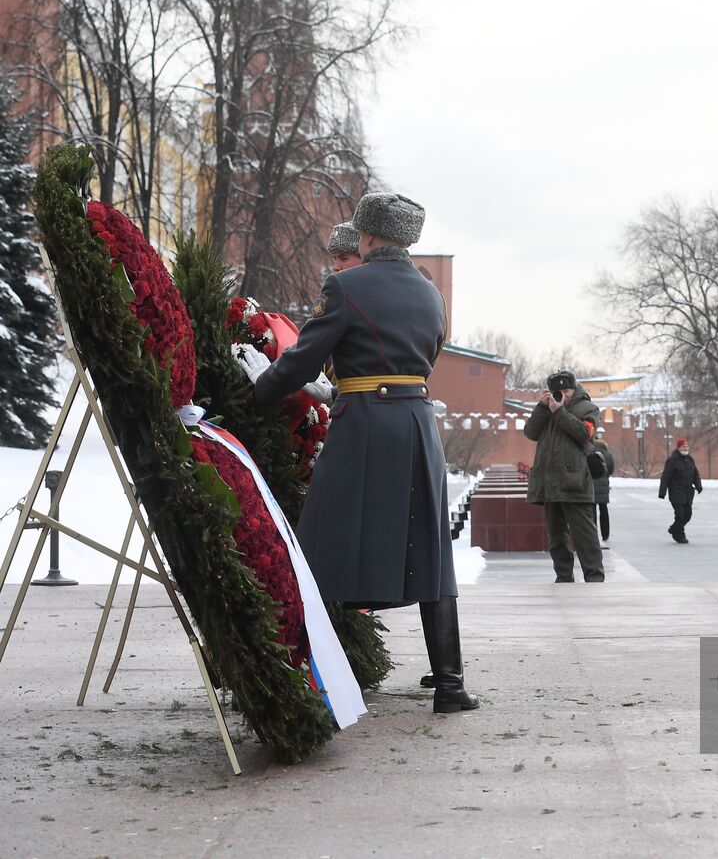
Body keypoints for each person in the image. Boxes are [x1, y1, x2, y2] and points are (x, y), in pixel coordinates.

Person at [253, 192, 478, 714]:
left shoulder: (345, 285)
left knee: (321, 544)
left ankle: (310, 675)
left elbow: (304, 360)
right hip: (418, 424)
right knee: (430, 551)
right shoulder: (430, 295)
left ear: (367, 235)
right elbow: (430, 355)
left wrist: (257, 391)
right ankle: (450, 684)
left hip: (363, 425)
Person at [524, 370, 605, 583]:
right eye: (558, 391)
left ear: (574, 388)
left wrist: (559, 412)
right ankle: (563, 577)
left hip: (575, 482)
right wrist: (543, 407)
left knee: (584, 536)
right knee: (556, 537)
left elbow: (584, 434)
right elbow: (530, 432)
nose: (563, 395)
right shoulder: (548, 408)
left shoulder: (588, 408)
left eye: (567, 390)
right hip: (550, 482)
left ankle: (595, 578)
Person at [659, 439, 702, 543]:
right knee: (680, 515)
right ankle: (680, 535)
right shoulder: (672, 460)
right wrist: (662, 491)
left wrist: (698, 485)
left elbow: (695, 474)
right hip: (676, 492)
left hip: (688, 493)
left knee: (688, 515)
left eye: (687, 446)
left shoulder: (690, 459)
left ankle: (674, 529)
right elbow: (666, 476)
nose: (686, 448)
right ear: (678, 448)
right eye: (683, 446)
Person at [592, 426, 615, 547]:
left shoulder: (589, 452)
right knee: (604, 509)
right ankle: (606, 534)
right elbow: (611, 469)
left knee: (592, 510)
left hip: (591, 484)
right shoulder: (607, 454)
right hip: (604, 485)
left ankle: (593, 533)